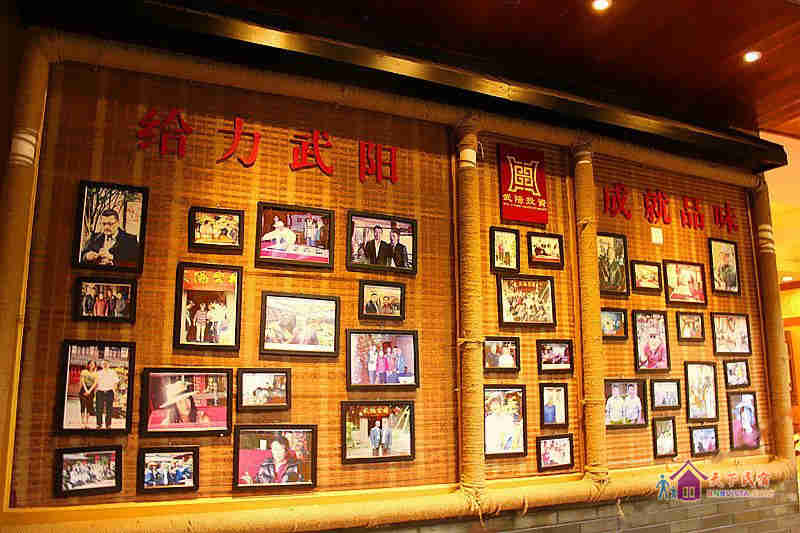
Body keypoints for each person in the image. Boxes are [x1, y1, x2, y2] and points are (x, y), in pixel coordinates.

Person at [94, 358, 119, 429]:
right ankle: (99, 424)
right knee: (99, 409)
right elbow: (96, 383)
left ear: (109, 365)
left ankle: (108, 424)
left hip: (110, 392)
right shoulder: (98, 373)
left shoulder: (113, 372)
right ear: (101, 365)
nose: (105, 365)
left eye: (106, 364)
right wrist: (95, 392)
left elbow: (115, 383)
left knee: (109, 409)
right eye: (103, 364)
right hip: (100, 392)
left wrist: (115, 392)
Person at [79, 360, 97, 429]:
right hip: (83, 389)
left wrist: (89, 391)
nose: (92, 365)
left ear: (95, 365)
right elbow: (82, 381)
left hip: (91, 391)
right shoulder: (84, 371)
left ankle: (87, 423)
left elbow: (95, 383)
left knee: (89, 407)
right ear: (88, 364)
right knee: (82, 406)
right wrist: (86, 390)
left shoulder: (96, 374)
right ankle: (82, 423)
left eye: (93, 364)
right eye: (90, 364)